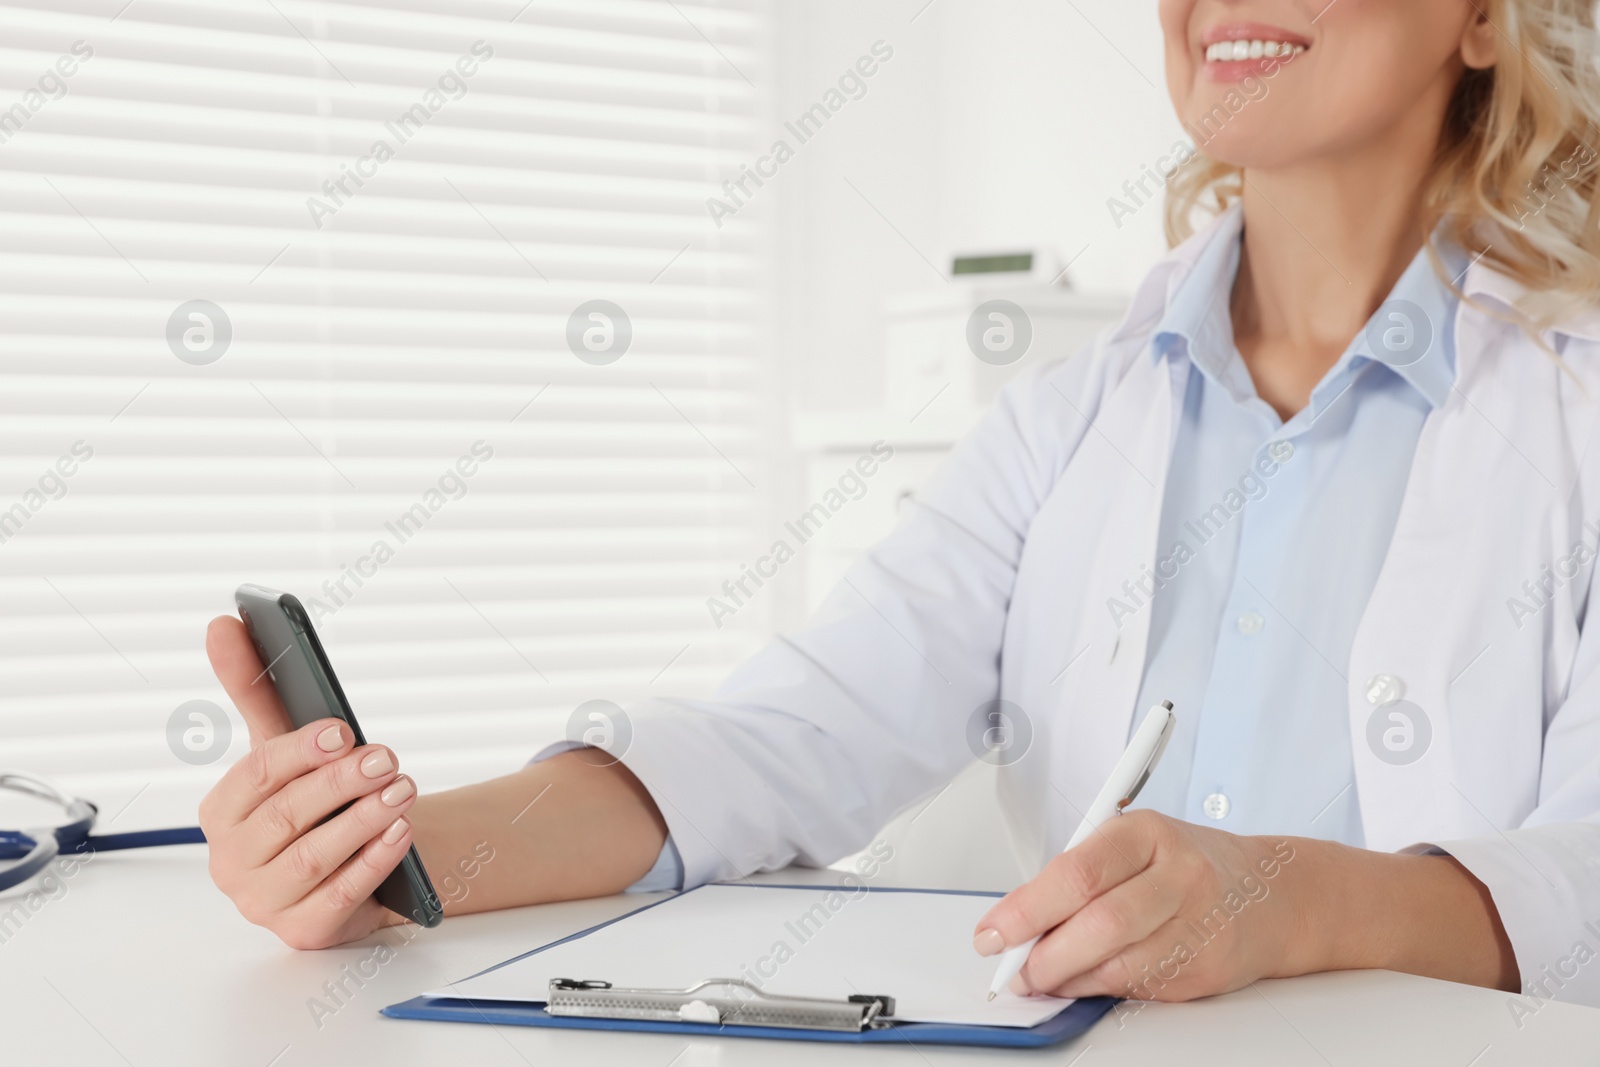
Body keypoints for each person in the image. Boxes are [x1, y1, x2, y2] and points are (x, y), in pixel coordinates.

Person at [197, 0, 1600, 1007]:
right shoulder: (1070, 422)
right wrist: (397, 854)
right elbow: (791, 736)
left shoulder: (1572, 414)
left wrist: (1285, 904)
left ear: (1486, 19)